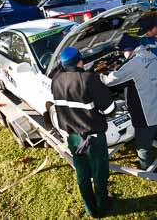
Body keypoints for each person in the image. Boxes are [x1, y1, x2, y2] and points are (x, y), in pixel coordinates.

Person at [51, 47, 115, 218]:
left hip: (73, 137)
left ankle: (90, 209)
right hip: (93, 137)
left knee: (82, 173)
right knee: (99, 173)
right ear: (80, 61)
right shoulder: (89, 79)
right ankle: (102, 206)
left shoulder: (55, 81)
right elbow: (109, 108)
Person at [101, 34, 157, 175]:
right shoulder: (151, 55)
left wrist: (100, 75)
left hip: (147, 118)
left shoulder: (134, 63)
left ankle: (147, 171)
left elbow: (110, 81)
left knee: (143, 147)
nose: (122, 55)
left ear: (128, 50)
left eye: (122, 51)